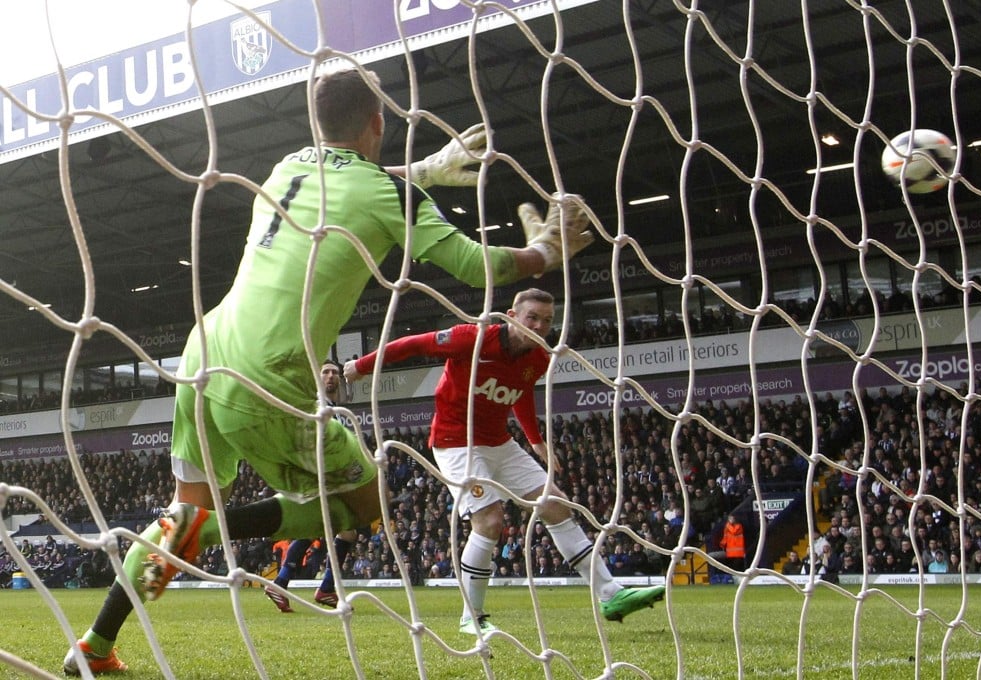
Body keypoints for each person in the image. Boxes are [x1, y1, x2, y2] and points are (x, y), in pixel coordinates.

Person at [63, 68, 594, 675]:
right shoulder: (390, 195)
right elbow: (476, 268)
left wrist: (426, 169)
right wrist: (545, 253)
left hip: (203, 352)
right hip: (268, 374)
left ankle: (95, 646)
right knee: (363, 505)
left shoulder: (287, 165)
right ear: (378, 123)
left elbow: (350, 187)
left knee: (181, 515)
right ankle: (199, 533)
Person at [344, 288, 665, 636]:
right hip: (456, 443)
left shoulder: (540, 356)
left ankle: (611, 594)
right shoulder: (472, 338)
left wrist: (535, 440)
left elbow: (521, 392)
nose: (540, 326)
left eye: (546, 320)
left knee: (555, 504)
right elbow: (413, 344)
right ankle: (472, 615)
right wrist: (361, 367)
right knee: (490, 521)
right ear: (512, 316)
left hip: (499, 442)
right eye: (532, 317)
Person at [265, 360, 358, 613]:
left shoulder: (335, 409)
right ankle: (318, 588)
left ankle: (289, 584)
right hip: (319, 474)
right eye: (326, 372)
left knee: (336, 530)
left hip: (329, 475)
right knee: (340, 531)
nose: (330, 376)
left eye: (334, 373)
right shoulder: (317, 406)